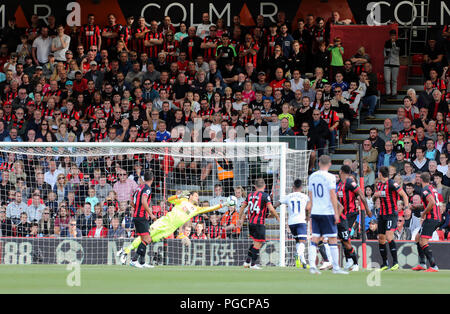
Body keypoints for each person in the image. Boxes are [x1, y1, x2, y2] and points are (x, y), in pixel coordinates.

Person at [118, 189, 230, 265]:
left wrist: (224, 204)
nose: (197, 197)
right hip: (164, 222)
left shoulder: (196, 209)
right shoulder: (182, 200)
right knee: (146, 237)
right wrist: (178, 196)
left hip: (170, 229)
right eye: (196, 195)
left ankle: (138, 261)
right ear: (190, 196)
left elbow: (210, 209)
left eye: (198, 196)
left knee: (149, 240)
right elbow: (169, 200)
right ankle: (125, 251)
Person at [306, 155, 348, 275]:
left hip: (315, 211)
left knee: (315, 238)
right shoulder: (330, 177)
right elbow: (332, 195)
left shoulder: (312, 176)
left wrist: (309, 212)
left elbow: (310, 195)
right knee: (332, 239)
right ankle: (335, 268)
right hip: (327, 212)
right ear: (329, 164)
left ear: (319, 163)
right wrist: (336, 213)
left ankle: (313, 266)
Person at [372, 166, 410, 271]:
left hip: (391, 214)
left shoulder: (392, 183)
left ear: (380, 174)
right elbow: (374, 197)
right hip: (382, 214)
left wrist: (406, 208)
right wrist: (375, 196)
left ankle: (396, 262)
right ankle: (384, 263)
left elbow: (404, 195)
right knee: (381, 238)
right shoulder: (378, 185)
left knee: (389, 236)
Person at [237, 178, 280, 270]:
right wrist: (277, 216)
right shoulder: (265, 196)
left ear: (255, 186)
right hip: (259, 222)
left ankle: (247, 261)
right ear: (264, 186)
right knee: (258, 243)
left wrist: (239, 218)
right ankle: (253, 264)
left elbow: (242, 207)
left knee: (255, 242)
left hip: (251, 222)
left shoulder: (250, 195)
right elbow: (271, 209)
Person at [337, 165, 372, 272]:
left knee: (346, 238)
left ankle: (356, 263)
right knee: (343, 239)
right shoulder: (339, 184)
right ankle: (349, 261)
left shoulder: (349, 182)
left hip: (350, 214)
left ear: (341, 171)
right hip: (341, 215)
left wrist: (367, 209)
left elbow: (361, 193)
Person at [273, 179, 310, 268]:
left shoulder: (288, 196)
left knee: (298, 241)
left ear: (293, 187)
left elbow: (276, 204)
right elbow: (308, 208)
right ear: (301, 187)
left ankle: (303, 263)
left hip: (291, 223)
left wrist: (271, 210)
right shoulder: (305, 197)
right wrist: (308, 217)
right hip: (301, 221)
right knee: (303, 241)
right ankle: (297, 254)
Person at [411, 172, 441, 272]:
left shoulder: (425, 190)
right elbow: (431, 202)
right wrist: (418, 206)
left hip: (431, 218)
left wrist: (423, 213)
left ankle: (433, 265)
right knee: (417, 238)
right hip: (434, 217)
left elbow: (432, 202)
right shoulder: (432, 188)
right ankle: (422, 264)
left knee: (423, 241)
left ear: (420, 180)